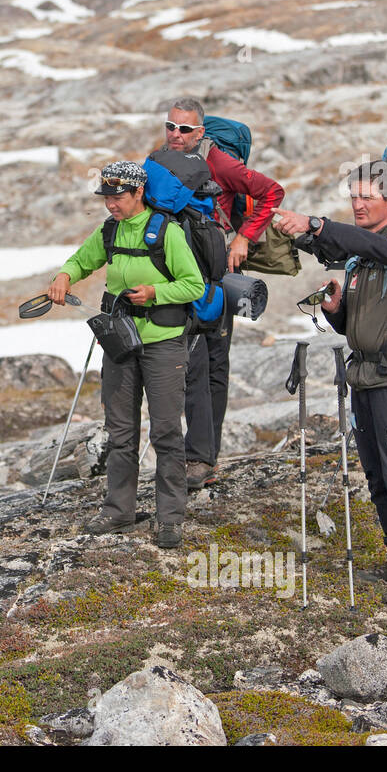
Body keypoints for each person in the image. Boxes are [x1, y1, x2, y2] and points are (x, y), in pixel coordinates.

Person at [275, 160, 387, 608]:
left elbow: (366, 242)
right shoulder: (363, 259)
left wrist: (316, 225)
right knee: (378, 475)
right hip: (367, 378)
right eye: (352, 197)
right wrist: (337, 309)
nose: (357, 205)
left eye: (366, 198)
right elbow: (356, 325)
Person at [48, 160, 204, 548]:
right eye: (106, 197)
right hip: (120, 341)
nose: (111, 204)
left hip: (164, 343)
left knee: (167, 431)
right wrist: (65, 275)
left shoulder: (166, 232)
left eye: (117, 197)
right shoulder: (109, 231)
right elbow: (83, 259)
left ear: (138, 193)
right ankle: (119, 510)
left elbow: (194, 285)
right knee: (120, 432)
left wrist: (155, 294)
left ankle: (170, 518)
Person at [158, 97, 285, 490]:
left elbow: (272, 192)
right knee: (190, 362)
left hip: (217, 272)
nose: (175, 134)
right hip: (177, 273)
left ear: (200, 132)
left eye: (184, 129)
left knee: (209, 362)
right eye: (170, 126)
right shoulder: (160, 159)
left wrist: (244, 238)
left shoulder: (220, 162)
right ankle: (196, 454)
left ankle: (200, 457)